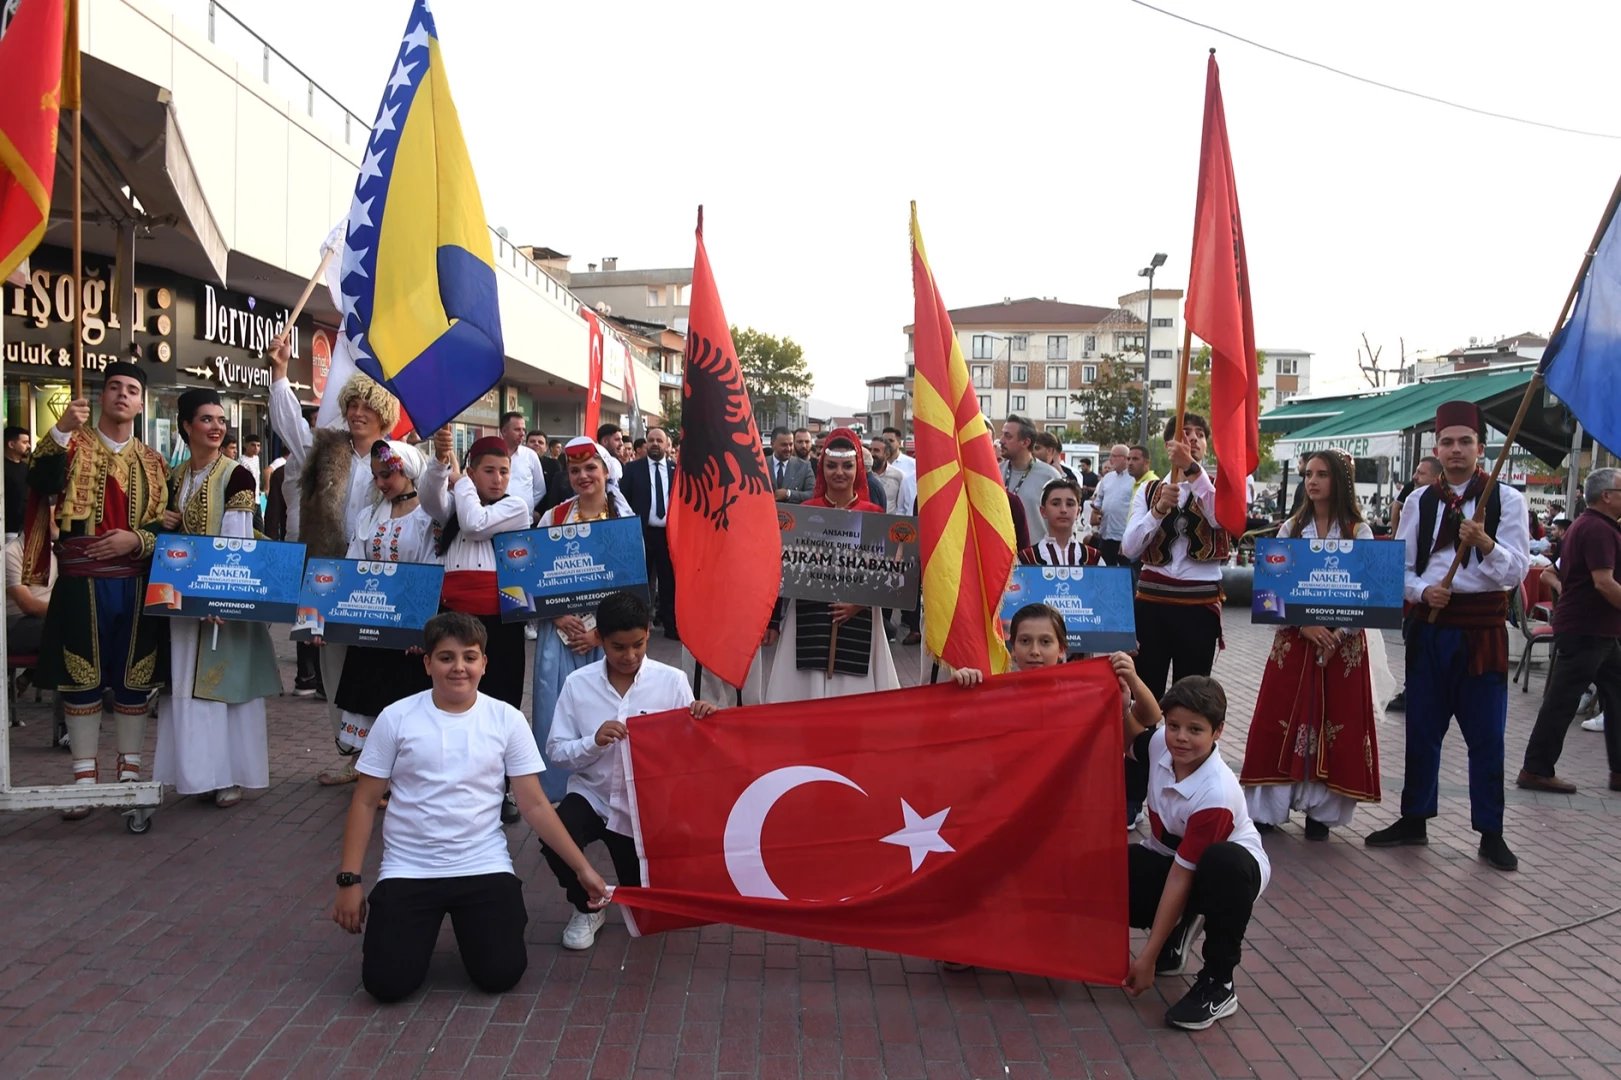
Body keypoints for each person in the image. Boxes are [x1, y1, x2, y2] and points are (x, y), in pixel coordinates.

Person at [330, 612, 609, 1002]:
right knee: (386, 985)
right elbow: (363, 802)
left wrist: (582, 869)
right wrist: (349, 881)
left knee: (501, 974)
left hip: (482, 863)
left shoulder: (507, 719)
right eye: (446, 657)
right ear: (427, 663)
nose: (458, 667)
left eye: (469, 657)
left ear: (484, 663)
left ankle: (481, 925)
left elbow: (535, 805)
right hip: (409, 867)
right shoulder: (396, 718)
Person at [1366, 401, 1529, 872]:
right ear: (1437, 449)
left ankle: (1491, 831)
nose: (1456, 450)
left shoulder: (1507, 500)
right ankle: (1414, 818)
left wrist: (1487, 545)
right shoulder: (1420, 501)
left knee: (1486, 735)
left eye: (1465, 442)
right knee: (1422, 729)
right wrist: (1422, 591)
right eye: (1447, 442)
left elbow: (1517, 571)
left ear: (1481, 448)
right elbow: (1399, 569)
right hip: (1431, 627)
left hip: (1482, 632)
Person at [25, 363, 168, 816]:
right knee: (80, 679)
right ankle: (83, 778)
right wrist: (60, 430)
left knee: (134, 679)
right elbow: (39, 484)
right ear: (101, 397)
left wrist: (137, 539)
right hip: (81, 583)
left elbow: (170, 526)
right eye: (114, 387)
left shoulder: (154, 461)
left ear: (141, 403)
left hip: (135, 582)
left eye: (132, 390)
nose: (123, 395)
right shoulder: (70, 446)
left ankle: (129, 774)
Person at [544, 592, 717, 949]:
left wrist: (703, 722)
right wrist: (593, 742)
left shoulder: (671, 681)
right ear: (600, 638)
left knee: (644, 907)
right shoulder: (578, 683)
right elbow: (556, 752)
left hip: (644, 806)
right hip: (593, 795)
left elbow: (690, 753)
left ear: (649, 633)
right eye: (618, 647)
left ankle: (641, 883)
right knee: (554, 838)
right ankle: (587, 906)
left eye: (638, 644)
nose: (630, 656)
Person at [269, 334, 405, 785]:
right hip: (327, 577)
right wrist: (281, 373)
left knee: (379, 670)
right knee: (333, 668)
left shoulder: (399, 459)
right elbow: (290, 426)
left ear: (384, 415)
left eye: (367, 406)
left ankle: (387, 763)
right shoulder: (325, 450)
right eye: (352, 405)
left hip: (380, 582)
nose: (357, 413)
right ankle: (352, 756)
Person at [1240, 450, 1391, 838]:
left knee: (1338, 722)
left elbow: (1372, 592)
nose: (1312, 481)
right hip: (1296, 639)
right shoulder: (1291, 528)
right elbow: (1272, 586)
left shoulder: (1359, 531)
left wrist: (1338, 633)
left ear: (1340, 480)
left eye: (1322, 474)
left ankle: (1321, 814)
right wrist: (1304, 624)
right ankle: (1269, 808)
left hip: (1344, 644)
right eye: (1309, 474)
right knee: (1279, 716)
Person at [1115, 655, 1269, 1031]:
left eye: (1195, 729)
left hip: (1226, 875)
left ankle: (1219, 983)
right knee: (1108, 873)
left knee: (1221, 863)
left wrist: (1146, 958)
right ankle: (1177, 932)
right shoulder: (1161, 746)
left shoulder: (1217, 793)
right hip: (1172, 859)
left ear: (1218, 732)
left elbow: (1182, 877)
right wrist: (1126, 690)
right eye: (1174, 726)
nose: (1181, 737)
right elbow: (1125, 734)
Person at [151, 389, 279, 808]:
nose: (217, 427)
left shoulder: (237, 475)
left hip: (223, 600)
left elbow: (237, 540)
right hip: (180, 602)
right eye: (206, 419)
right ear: (186, 426)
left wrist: (221, 599)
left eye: (221, 420)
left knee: (226, 685)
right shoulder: (174, 477)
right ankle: (196, 774)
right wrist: (164, 520)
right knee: (185, 682)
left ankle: (229, 776)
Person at [531, 438, 636, 801]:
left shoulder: (623, 519)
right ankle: (557, 790)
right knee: (554, 705)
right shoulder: (554, 517)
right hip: (560, 632)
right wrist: (558, 615)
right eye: (575, 470)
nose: (583, 476)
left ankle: (609, 788)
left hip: (607, 636)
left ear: (606, 471)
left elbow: (631, 583)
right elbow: (533, 573)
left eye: (591, 468)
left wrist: (600, 634)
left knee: (605, 707)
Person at [766, 429, 900, 702]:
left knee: (855, 696)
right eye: (831, 465)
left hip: (860, 616)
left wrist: (859, 603)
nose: (839, 472)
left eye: (847, 466)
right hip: (809, 615)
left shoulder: (874, 515)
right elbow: (783, 566)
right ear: (822, 469)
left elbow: (886, 571)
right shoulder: (805, 511)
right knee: (806, 692)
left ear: (858, 468)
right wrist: (773, 620)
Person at [331, 441, 440, 773]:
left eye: (387, 475)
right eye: (376, 476)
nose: (380, 483)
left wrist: (420, 626)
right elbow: (353, 566)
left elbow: (431, 570)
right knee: (369, 692)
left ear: (406, 471)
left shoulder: (427, 518)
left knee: (402, 693)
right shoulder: (369, 516)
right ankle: (368, 770)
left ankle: (401, 774)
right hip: (371, 624)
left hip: (406, 627)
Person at [1518, 467, 1621, 793]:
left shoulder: (1594, 525)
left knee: (1616, 694)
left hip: (1599, 630)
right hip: (1587, 629)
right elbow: (1603, 582)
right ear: (1607, 496)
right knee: (1562, 700)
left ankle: (1619, 770)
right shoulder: (1597, 529)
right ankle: (1536, 769)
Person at [419, 432, 529, 712]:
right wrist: (440, 460)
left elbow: (474, 524)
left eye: (504, 471)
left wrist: (462, 482)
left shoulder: (515, 507)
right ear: (472, 471)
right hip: (452, 614)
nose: (497, 479)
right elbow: (429, 498)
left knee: (500, 696)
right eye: (489, 471)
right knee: (453, 690)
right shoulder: (456, 504)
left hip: (500, 620)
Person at [1120, 414, 1226, 699]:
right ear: (1170, 445)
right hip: (1152, 602)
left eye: (1200, 434)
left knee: (1191, 694)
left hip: (1198, 604)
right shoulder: (1149, 489)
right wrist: (1157, 511)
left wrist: (1191, 469)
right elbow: (1129, 548)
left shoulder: (1219, 488)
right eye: (1185, 432)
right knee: (1145, 690)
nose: (1193, 438)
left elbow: (1220, 519)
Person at [619, 427, 679, 641]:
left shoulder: (676, 471)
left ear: (667, 445)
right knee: (640, 583)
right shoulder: (633, 469)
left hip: (667, 536)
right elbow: (623, 500)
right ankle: (636, 626)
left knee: (668, 582)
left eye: (659, 440)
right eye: (650, 440)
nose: (654, 444)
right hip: (640, 534)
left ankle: (671, 626)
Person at [1000, 416, 1061, 544]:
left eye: (1008, 436)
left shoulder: (1050, 476)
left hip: (1036, 554)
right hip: (1001, 552)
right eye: (1002, 434)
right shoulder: (995, 473)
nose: (1001, 441)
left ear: (1025, 442)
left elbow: (1061, 521)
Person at [1019, 478, 1101, 568]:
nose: (1063, 510)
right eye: (1055, 504)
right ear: (1043, 511)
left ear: (1078, 512)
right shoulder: (1027, 559)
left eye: (1070, 504)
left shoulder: (1093, 558)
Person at [5, 524, 56, 656]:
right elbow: (28, 605)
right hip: (18, 624)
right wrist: (66, 612)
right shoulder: (11, 552)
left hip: (47, 619)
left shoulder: (56, 551)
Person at [498, 411, 548, 516]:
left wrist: (526, 506)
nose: (522, 434)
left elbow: (540, 489)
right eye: (517, 429)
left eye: (523, 430)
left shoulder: (530, 455)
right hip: (497, 517)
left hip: (524, 520)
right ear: (504, 431)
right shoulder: (492, 455)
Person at [1092, 444, 1135, 566]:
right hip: (1106, 533)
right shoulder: (1107, 478)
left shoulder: (1134, 479)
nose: (1111, 459)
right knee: (1106, 568)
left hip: (1123, 536)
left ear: (1125, 458)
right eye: (1111, 456)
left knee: (1127, 571)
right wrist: (1097, 508)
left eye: (1114, 456)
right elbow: (1099, 500)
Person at [1389, 457, 1441, 538]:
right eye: (1416, 472)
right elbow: (1396, 507)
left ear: (1437, 477)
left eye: (1421, 473)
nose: (1414, 476)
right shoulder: (1410, 488)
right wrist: (1395, 533)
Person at [767, 426, 815, 503]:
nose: (788, 449)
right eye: (784, 445)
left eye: (791, 444)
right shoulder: (761, 465)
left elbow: (812, 494)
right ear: (772, 444)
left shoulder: (804, 467)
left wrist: (789, 494)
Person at [5, 426, 31, 540]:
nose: (29, 446)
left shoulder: (27, 468)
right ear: (11, 444)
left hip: (26, 528)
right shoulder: (2, 468)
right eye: (24, 442)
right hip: (8, 530)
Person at [868, 435, 902, 510]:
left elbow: (901, 505)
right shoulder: (863, 475)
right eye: (870, 450)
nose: (871, 453)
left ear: (886, 455)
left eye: (876, 450)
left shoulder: (899, 476)